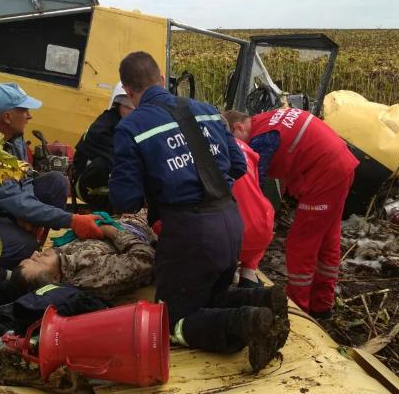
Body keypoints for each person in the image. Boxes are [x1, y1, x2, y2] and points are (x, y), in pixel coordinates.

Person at [108, 51, 287, 372]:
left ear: (127, 90)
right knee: (209, 296)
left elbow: (125, 201)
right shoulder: (205, 111)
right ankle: (261, 301)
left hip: (189, 235)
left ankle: (246, 322)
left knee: (168, 320)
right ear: (162, 79)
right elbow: (236, 164)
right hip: (231, 225)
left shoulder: (131, 126)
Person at [227, 107, 358, 318]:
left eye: (233, 138)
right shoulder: (267, 120)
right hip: (340, 163)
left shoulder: (261, 140)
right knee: (327, 240)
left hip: (324, 173)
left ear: (238, 127)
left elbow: (255, 192)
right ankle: (322, 305)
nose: (237, 146)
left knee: (301, 245)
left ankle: (298, 310)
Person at [0, 82, 103, 269]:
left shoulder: (14, 137)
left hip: (8, 206)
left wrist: (28, 214)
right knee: (24, 247)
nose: (29, 115)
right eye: (25, 110)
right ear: (8, 117)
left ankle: (31, 239)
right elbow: (15, 201)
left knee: (56, 182)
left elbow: (25, 176)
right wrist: (73, 220)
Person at [0, 212, 155, 337]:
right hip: (142, 225)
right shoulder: (89, 275)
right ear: (55, 279)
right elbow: (145, 258)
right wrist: (110, 229)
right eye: (37, 261)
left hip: (125, 217)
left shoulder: (61, 260)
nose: (36, 253)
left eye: (31, 258)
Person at [223, 112, 275, 288]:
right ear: (237, 128)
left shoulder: (211, 149)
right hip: (264, 229)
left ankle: (228, 277)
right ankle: (249, 273)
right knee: (254, 206)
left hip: (234, 238)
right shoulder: (250, 152)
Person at [72, 82, 135, 210]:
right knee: (105, 164)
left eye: (135, 108)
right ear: (117, 105)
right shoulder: (102, 128)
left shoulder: (131, 126)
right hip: (85, 185)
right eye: (127, 107)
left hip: (109, 185)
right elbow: (121, 159)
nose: (132, 112)